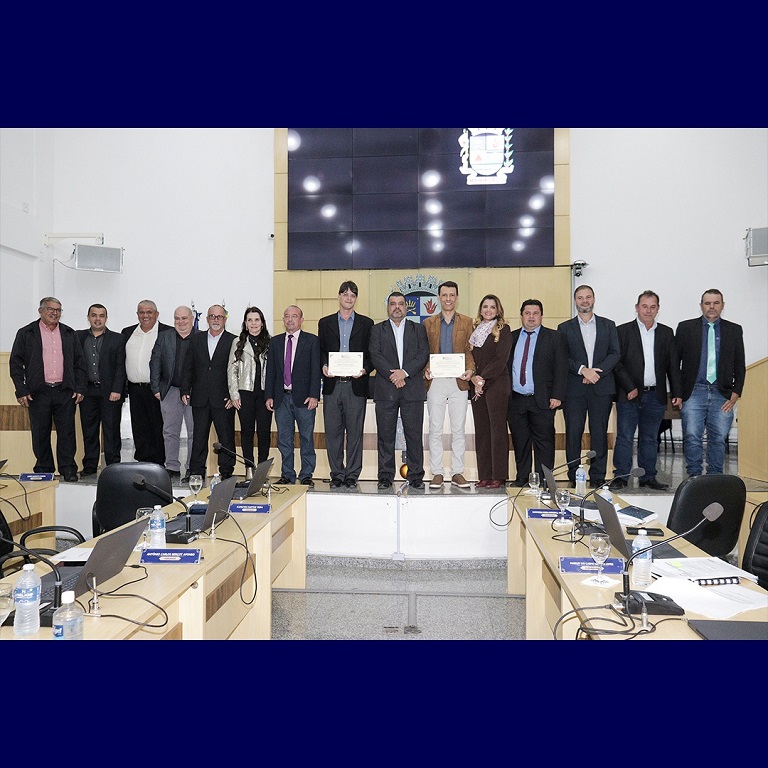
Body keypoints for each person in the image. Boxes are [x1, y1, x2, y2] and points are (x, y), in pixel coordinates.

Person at [611, 291, 682, 491]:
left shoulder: (666, 333)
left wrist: (677, 392)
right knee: (625, 437)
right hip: (629, 395)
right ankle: (621, 477)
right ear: (637, 308)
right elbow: (616, 362)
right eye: (644, 306)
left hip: (655, 396)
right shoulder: (623, 331)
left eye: (653, 307)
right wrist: (630, 387)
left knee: (650, 438)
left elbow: (673, 365)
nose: (648, 311)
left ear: (658, 309)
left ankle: (648, 477)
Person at [9, 297, 86, 481]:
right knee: (40, 433)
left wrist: (80, 387)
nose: (55, 313)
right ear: (40, 310)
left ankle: (68, 469)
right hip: (38, 393)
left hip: (64, 391)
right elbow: (15, 364)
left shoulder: (69, 333)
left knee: (67, 433)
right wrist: (21, 390)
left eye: (58, 310)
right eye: (51, 309)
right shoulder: (26, 333)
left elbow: (80, 364)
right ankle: (44, 470)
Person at [675, 289, 745, 477]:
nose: (712, 307)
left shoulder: (734, 330)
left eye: (716, 303)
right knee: (692, 436)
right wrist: (678, 393)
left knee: (719, 437)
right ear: (701, 306)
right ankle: (694, 477)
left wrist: (736, 392)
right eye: (707, 303)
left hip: (722, 393)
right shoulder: (685, 328)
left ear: (722, 305)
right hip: (693, 391)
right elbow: (675, 363)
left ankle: (714, 477)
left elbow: (739, 364)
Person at [557, 285, 620, 488]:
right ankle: (574, 474)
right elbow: (562, 356)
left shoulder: (608, 325)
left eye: (588, 297)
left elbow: (615, 353)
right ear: (575, 301)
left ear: (594, 299)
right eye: (580, 297)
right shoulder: (564, 328)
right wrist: (583, 370)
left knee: (599, 432)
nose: (584, 301)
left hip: (601, 388)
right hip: (574, 389)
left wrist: (595, 373)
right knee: (573, 433)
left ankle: (598, 474)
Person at [369, 292, 430, 490]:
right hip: (386, 389)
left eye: (401, 304)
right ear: (388, 307)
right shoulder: (377, 330)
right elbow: (375, 355)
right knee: (385, 435)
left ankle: (416, 475)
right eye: (393, 304)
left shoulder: (418, 329)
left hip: (412, 389)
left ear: (406, 307)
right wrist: (394, 375)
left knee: (414, 435)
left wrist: (404, 373)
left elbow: (423, 354)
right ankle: (385, 475)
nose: (397, 307)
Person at [507, 299, 568, 487]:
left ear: (541, 316)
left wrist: (557, 395)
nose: (531, 317)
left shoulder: (554, 337)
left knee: (544, 443)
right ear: (521, 316)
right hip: (516, 399)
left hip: (542, 399)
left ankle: (544, 480)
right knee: (520, 442)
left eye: (535, 313)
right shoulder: (511, 337)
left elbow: (561, 368)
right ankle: (522, 478)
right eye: (527, 313)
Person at [318, 281, 373, 489]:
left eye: (352, 295)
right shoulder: (325, 323)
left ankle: (352, 474)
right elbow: (320, 350)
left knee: (355, 433)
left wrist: (365, 369)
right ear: (339, 296)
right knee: (333, 433)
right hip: (332, 385)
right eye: (345, 294)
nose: (349, 298)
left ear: (356, 299)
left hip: (355, 386)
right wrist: (324, 365)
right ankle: (337, 473)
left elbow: (371, 355)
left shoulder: (367, 324)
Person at [423, 281, 474, 489]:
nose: (448, 299)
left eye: (452, 295)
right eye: (444, 295)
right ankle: (436, 472)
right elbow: (423, 351)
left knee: (458, 429)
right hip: (435, 380)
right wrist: (426, 369)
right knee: (435, 428)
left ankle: (457, 472)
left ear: (457, 297)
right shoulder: (428, 323)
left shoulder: (468, 322)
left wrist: (471, 370)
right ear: (438, 298)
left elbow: (470, 351)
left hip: (458, 381)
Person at [265, 305, 321, 487]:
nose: (290, 319)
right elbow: (271, 371)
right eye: (287, 316)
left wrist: (314, 395)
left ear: (301, 320)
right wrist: (269, 395)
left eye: (294, 316)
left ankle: (306, 474)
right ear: (283, 319)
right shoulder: (275, 342)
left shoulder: (311, 341)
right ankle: (287, 474)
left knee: (306, 438)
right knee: (284, 439)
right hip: (281, 398)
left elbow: (316, 370)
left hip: (304, 399)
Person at [181, 305, 237, 481]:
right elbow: (188, 367)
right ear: (207, 319)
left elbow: (237, 371)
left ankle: (226, 472)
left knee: (226, 437)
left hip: (224, 399)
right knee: (199, 437)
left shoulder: (233, 341)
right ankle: (196, 471)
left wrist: (233, 395)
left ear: (225, 319)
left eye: (219, 316)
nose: (215, 319)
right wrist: (185, 389)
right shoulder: (196, 340)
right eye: (212, 316)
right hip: (200, 397)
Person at [75, 303, 126, 474]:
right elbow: (75, 365)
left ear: (106, 318)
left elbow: (120, 366)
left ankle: (113, 467)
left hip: (110, 392)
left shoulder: (117, 339)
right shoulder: (78, 337)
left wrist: (117, 389)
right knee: (89, 430)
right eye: (94, 315)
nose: (97, 319)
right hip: (87, 392)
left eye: (101, 315)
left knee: (111, 431)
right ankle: (90, 466)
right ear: (88, 317)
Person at [469, 294, 513, 489]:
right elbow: (470, 358)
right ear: (480, 309)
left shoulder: (504, 329)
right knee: (482, 431)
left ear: (498, 310)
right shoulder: (475, 330)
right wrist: (474, 377)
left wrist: (482, 378)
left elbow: (500, 359)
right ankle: (485, 475)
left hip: (496, 384)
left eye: (492, 307)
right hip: (477, 385)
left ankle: (499, 475)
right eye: (485, 306)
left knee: (497, 430)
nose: (488, 310)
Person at [150, 305, 198, 482]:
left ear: (192, 319)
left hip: (194, 392)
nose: (181, 322)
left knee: (194, 431)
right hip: (170, 390)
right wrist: (156, 388)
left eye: (184, 318)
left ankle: (192, 467)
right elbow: (155, 362)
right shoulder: (164, 337)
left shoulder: (200, 337)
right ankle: (171, 467)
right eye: (177, 318)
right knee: (170, 431)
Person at [121, 299, 171, 465]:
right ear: (137, 314)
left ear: (157, 314)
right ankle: (142, 460)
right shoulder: (127, 332)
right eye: (141, 312)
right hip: (135, 389)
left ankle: (159, 462)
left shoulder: (167, 332)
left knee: (159, 426)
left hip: (157, 389)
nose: (145, 315)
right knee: (139, 426)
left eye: (149, 312)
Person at [228, 306, 273, 479]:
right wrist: (234, 394)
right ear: (245, 324)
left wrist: (272, 394)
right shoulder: (237, 342)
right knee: (246, 432)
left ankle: (262, 471)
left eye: (257, 320)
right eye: (250, 320)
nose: (253, 323)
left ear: (262, 323)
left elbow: (274, 370)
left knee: (264, 432)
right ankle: (249, 469)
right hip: (244, 394)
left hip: (264, 395)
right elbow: (232, 370)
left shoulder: (270, 342)